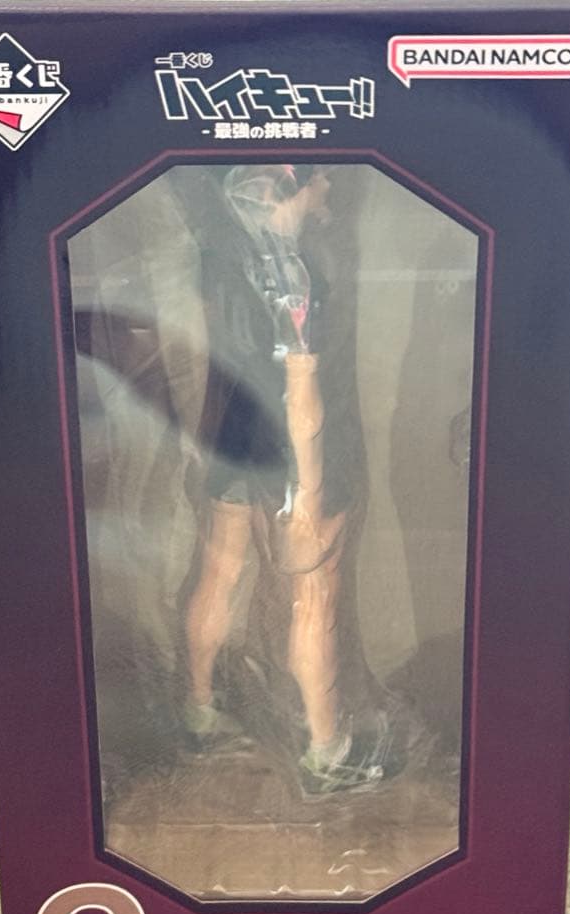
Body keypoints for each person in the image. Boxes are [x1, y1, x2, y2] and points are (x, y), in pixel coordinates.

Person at [183, 164, 409, 794]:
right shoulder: (292, 278)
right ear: (291, 185)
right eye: (320, 180)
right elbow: (302, 396)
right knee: (315, 598)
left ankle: (198, 709)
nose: (329, 188)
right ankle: (327, 751)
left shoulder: (220, 258)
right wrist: (307, 493)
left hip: (232, 435)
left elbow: (214, 355)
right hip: (292, 450)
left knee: (219, 568)